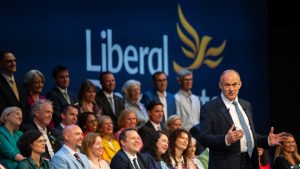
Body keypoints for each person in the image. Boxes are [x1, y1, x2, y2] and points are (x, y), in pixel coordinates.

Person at [198, 69, 286, 169]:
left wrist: (266, 140)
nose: (231, 89)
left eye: (235, 84)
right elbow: (203, 138)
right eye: (227, 85)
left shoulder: (246, 105)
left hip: (250, 162)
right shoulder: (209, 108)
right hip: (226, 164)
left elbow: (247, 135)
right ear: (220, 86)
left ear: (240, 84)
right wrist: (226, 139)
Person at [0, 51, 28, 123]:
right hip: (6, 127)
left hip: (22, 128)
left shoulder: (20, 84)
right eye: (9, 61)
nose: (13, 64)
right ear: (1, 64)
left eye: (14, 61)